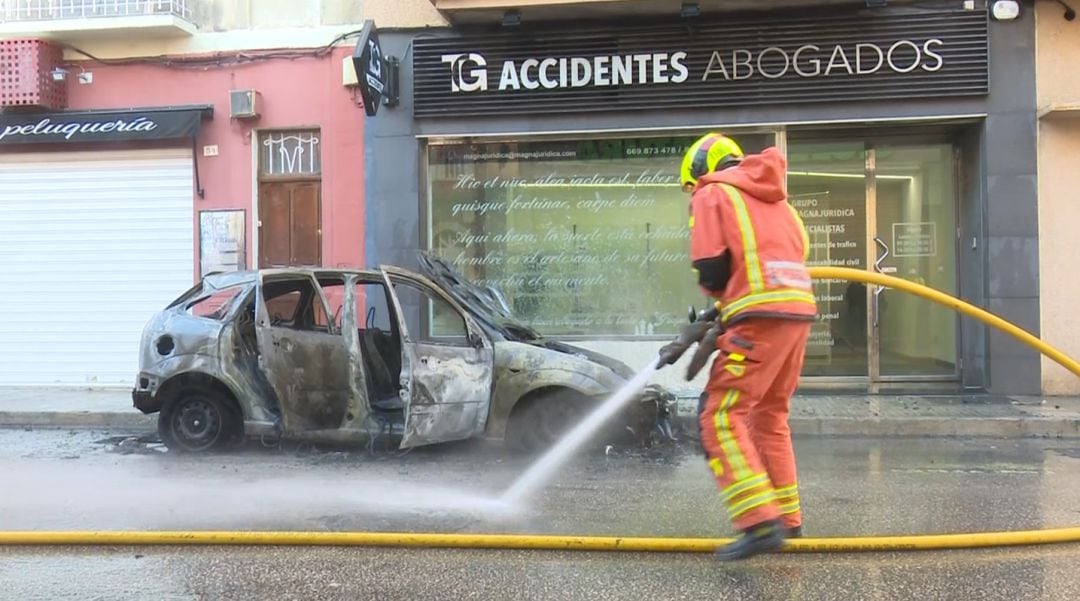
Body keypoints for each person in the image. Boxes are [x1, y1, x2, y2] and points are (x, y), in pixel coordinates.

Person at [658, 133, 817, 561]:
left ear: (699, 170)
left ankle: (758, 522)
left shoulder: (713, 192)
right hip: (797, 315)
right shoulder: (780, 203)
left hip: (758, 318)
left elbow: (711, 265)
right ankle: (787, 519)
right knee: (770, 416)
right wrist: (720, 317)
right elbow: (783, 259)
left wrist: (719, 305)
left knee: (721, 416)